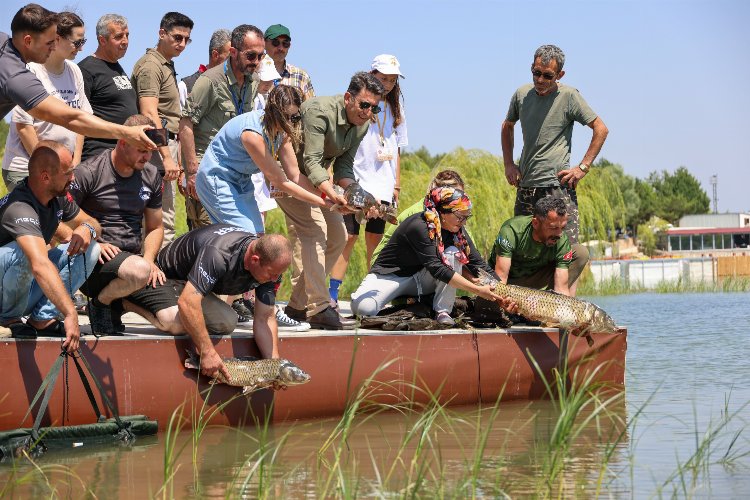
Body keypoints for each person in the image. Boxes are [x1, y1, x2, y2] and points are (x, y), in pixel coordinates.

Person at [278, 72, 385, 330]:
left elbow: (345, 169)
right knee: (316, 231)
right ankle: (320, 307)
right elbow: (311, 162)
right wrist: (332, 193)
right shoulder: (319, 111)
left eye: (375, 107)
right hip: (287, 177)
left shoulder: (363, 123)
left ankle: (297, 307)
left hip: (318, 181)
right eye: (364, 105)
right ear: (348, 98)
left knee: (338, 236)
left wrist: (361, 197)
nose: (369, 112)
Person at [501, 44, 608, 295]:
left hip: (557, 188)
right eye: (535, 72)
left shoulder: (569, 97)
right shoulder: (521, 95)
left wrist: (583, 167)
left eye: (547, 75)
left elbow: (600, 129)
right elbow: (507, 126)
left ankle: (562, 310)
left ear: (559, 75)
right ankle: (522, 306)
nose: (539, 80)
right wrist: (508, 163)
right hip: (527, 187)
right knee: (522, 250)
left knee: (568, 252)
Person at [125, 225, 293, 379]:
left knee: (227, 321)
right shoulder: (220, 254)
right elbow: (188, 302)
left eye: (278, 274)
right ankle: (127, 300)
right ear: (255, 259)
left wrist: (275, 367)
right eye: (272, 274)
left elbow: (265, 318)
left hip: (189, 286)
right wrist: (207, 352)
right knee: (176, 322)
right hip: (164, 277)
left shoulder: (270, 265)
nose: (275, 279)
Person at [0, 4, 154, 151]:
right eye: (49, 43)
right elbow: (71, 118)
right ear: (28, 41)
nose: (54, 47)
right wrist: (126, 132)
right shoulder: (16, 76)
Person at [350, 187, 507, 326]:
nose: (464, 222)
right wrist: (477, 290)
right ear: (443, 212)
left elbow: (478, 265)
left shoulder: (458, 232)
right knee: (363, 309)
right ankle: (417, 304)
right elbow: (437, 268)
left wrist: (505, 295)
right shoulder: (419, 225)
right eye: (461, 216)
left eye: (467, 217)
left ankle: (442, 311)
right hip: (391, 277)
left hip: (423, 278)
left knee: (453, 252)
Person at [0, 141, 101, 351]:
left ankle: (42, 319)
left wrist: (86, 229)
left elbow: (95, 224)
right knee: (26, 252)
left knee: (91, 249)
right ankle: (8, 319)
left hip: (20, 286)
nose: (73, 179)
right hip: (5, 290)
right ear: (45, 177)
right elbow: (39, 264)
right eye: (68, 173)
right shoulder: (19, 207)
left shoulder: (57, 196)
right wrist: (70, 312)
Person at [69, 114, 164, 334]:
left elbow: (156, 227)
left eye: (151, 151)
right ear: (123, 143)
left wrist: (149, 260)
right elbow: (61, 217)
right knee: (139, 271)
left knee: (174, 322)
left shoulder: (151, 175)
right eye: (142, 149)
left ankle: (118, 303)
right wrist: (94, 243)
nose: (147, 156)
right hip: (95, 264)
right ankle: (99, 304)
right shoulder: (89, 171)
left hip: (134, 264)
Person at [329, 54, 408, 302]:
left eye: (392, 80)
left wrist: (396, 183)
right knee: (348, 236)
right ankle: (331, 293)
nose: (387, 84)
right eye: (383, 78)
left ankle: (372, 293)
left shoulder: (396, 108)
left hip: (383, 182)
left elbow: (397, 148)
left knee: (375, 239)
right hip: (355, 176)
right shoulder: (360, 101)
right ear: (372, 74)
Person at [179, 24, 263, 230]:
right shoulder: (210, 81)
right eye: (251, 56)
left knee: (243, 236)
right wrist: (192, 172)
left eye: (261, 56)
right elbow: (186, 124)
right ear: (233, 52)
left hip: (235, 172)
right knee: (211, 238)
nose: (257, 62)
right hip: (208, 172)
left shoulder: (253, 81)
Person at [2, 11, 91, 192]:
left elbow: (81, 118)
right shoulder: (28, 72)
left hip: (60, 170)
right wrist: (45, 167)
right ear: (57, 39)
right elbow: (24, 126)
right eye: (77, 42)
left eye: (83, 42)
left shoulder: (75, 71)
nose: (81, 48)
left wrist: (74, 161)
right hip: (28, 167)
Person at [131, 11, 194, 245]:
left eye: (187, 39)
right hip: (157, 147)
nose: (183, 44)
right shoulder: (151, 66)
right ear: (161, 33)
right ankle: (155, 278)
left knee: (163, 218)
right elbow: (149, 112)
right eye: (177, 37)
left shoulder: (165, 64)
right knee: (160, 221)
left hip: (167, 145)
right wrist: (167, 156)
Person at [488, 196, 585, 296]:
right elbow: (501, 281)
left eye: (562, 227)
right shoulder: (511, 231)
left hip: (534, 279)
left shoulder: (561, 240)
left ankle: (546, 303)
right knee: (486, 305)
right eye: (553, 227)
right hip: (508, 280)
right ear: (535, 223)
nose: (559, 234)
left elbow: (561, 288)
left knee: (581, 252)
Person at [371, 169, 466, 264]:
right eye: (457, 197)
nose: (462, 201)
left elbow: (467, 248)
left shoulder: (450, 214)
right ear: (441, 194)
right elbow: (434, 262)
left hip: (413, 263)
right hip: (389, 267)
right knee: (450, 255)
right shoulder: (421, 214)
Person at [78, 13, 139, 161]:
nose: (125, 41)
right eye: (118, 37)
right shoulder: (86, 69)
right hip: (98, 156)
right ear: (102, 40)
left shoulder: (117, 67)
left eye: (127, 35)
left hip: (122, 156)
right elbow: (78, 118)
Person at [178, 28, 231, 109]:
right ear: (215, 55)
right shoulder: (186, 86)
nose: (234, 63)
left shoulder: (237, 87)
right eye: (229, 58)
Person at [263, 24, 314, 98]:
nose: (280, 48)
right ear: (264, 44)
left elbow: (311, 108)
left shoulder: (301, 76)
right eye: (275, 42)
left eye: (285, 43)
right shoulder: (254, 73)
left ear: (289, 46)